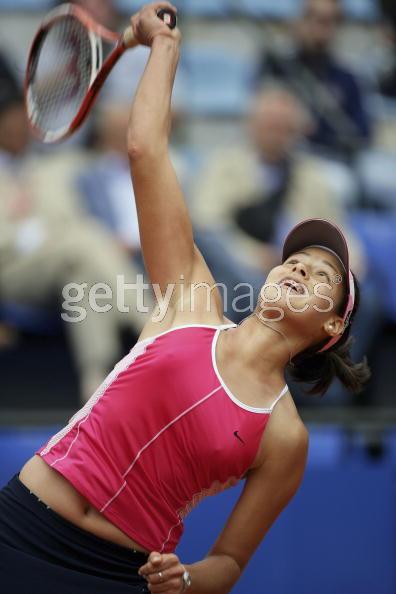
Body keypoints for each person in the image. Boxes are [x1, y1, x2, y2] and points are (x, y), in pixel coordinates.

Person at [0, 4, 370, 594]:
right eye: (295, 258)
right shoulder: (192, 300)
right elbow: (146, 148)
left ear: (331, 327)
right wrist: (164, 48)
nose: (300, 266)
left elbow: (229, 563)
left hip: (119, 576)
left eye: (323, 274)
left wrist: (188, 579)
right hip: (20, 528)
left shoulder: (284, 436)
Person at [0, 79, 148, 403]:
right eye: (10, 118)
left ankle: (94, 380)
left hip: (60, 260)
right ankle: (152, 326)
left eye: (21, 116)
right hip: (11, 271)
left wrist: (46, 232)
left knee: (81, 276)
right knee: (86, 238)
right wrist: (35, 233)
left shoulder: (52, 168)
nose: (19, 125)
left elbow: (69, 217)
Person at [256, 0, 371, 159]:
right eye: (314, 18)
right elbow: (259, 118)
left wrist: (326, 133)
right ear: (299, 21)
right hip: (283, 156)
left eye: (330, 21)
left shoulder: (347, 79)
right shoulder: (277, 66)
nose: (320, 29)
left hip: (332, 157)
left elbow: (362, 132)